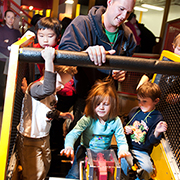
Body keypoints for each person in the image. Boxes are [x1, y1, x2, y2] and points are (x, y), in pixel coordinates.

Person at [59, 0, 137, 134]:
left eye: (128, 12)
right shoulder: (83, 24)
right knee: (80, 141)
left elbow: (126, 65)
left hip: (109, 100)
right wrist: (85, 54)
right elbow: (64, 55)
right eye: (121, 9)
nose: (124, 16)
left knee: (102, 142)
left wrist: (123, 73)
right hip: (85, 98)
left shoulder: (128, 36)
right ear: (110, 2)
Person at [16, 46, 77, 180]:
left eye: (65, 84)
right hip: (30, 138)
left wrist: (60, 114)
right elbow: (48, 88)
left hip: (43, 137)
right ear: (47, 74)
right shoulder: (36, 88)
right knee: (34, 173)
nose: (61, 87)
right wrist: (49, 60)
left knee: (44, 167)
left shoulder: (52, 92)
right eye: (60, 83)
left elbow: (47, 110)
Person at [60, 77, 131, 179]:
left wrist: (123, 150)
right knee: (74, 174)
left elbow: (121, 140)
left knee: (116, 174)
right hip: (85, 150)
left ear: (112, 105)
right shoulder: (88, 119)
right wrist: (69, 146)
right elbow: (73, 133)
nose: (101, 107)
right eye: (98, 104)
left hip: (105, 152)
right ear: (92, 104)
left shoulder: (115, 121)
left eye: (106, 104)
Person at [122, 82, 168, 180]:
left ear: (156, 101)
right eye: (139, 100)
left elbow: (152, 141)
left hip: (141, 150)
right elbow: (125, 123)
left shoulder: (157, 117)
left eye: (144, 101)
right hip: (126, 145)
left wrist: (157, 132)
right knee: (123, 164)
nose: (140, 104)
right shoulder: (135, 110)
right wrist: (125, 128)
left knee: (148, 169)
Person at [0, 10, 21, 110]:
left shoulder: (17, 32)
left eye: (13, 17)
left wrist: (7, 43)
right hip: (2, 60)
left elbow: (19, 44)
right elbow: (2, 44)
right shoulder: (1, 30)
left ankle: (9, 105)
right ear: (4, 18)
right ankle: (0, 104)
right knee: (1, 84)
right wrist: (10, 44)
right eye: (8, 17)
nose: (11, 19)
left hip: (13, 61)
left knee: (12, 84)